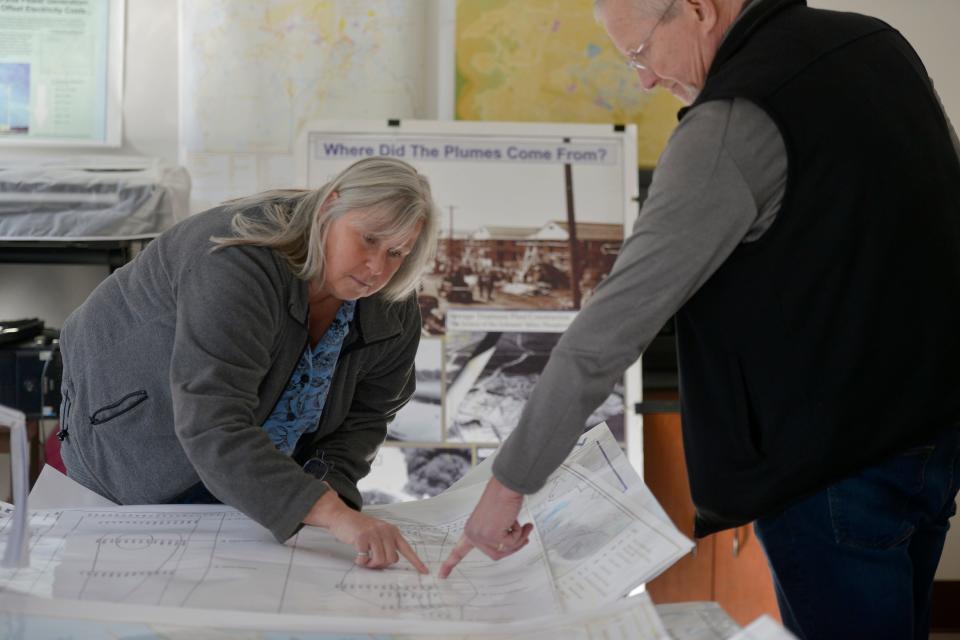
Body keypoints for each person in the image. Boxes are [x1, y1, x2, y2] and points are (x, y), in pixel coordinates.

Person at [440, 0, 960, 637]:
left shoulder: (732, 123)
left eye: (639, 53)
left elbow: (608, 332)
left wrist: (507, 485)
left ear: (697, 10)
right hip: (931, 435)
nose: (646, 79)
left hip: (830, 470)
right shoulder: (875, 44)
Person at [58, 157, 439, 573]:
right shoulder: (237, 260)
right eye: (368, 239)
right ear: (330, 205)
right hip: (130, 435)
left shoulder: (392, 306)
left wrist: (328, 491)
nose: (377, 268)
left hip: (247, 471)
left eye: (397, 252)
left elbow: (366, 417)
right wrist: (329, 513)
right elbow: (212, 421)